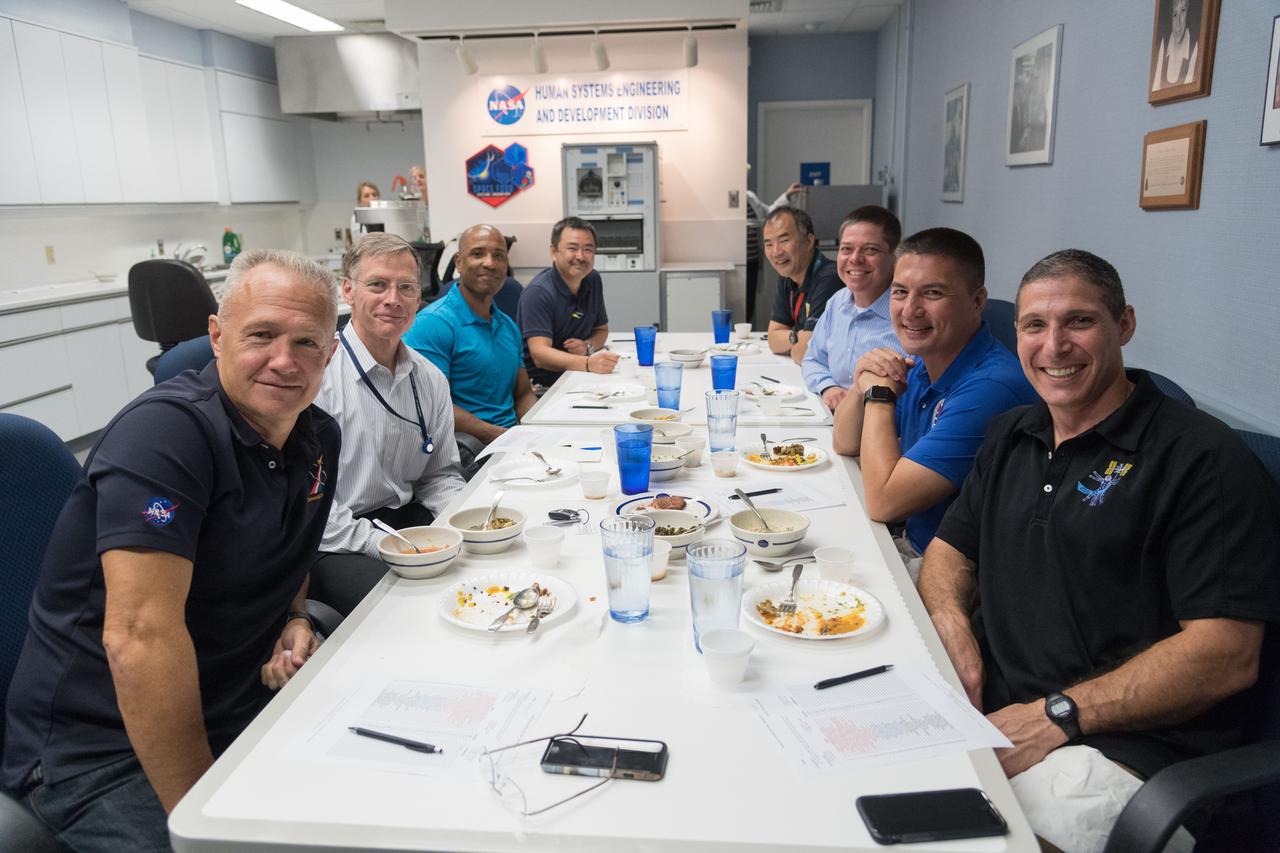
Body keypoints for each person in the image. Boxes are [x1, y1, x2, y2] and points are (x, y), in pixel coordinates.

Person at [918, 249, 1280, 852]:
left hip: (1124, 749)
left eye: (1079, 322)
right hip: (997, 710)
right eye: (1035, 325)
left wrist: (1056, 716)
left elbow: (1226, 654)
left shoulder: (1201, 462)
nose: (1054, 346)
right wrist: (952, 625)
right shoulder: (1012, 433)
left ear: (1125, 325)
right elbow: (952, 549)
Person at [2, 250, 342, 852]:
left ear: (331, 352)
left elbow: (291, 540)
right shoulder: (165, 435)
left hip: (235, 703)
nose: (284, 361)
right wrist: (204, 826)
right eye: (261, 334)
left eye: (307, 342)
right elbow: (138, 638)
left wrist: (292, 616)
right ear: (216, 335)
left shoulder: (315, 435)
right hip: (105, 750)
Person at [831, 228, 1035, 573]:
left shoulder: (991, 387)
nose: (910, 310)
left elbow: (885, 502)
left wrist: (878, 396)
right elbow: (844, 441)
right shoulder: (926, 363)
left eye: (933, 293)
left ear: (977, 301)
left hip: (949, 574)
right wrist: (860, 381)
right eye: (900, 292)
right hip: (907, 542)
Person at [311, 234, 466, 616]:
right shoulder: (316, 378)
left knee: (477, 576)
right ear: (347, 290)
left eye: (406, 288)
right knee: (415, 610)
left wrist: (467, 522)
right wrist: (387, 544)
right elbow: (311, 509)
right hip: (337, 540)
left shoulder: (429, 379)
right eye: (378, 285)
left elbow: (439, 475)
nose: (393, 299)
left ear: (419, 298)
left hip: (407, 521)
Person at [405, 224, 536, 444]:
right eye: (478, 254)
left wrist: (534, 428)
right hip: (467, 449)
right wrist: (499, 436)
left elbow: (523, 394)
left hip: (511, 442)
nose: (490, 263)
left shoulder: (508, 326)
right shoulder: (432, 324)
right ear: (459, 262)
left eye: (499, 256)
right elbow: (432, 406)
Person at [801, 206, 904, 411]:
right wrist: (828, 387)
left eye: (870, 250)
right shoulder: (837, 302)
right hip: (832, 421)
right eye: (846, 249)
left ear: (895, 256)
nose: (855, 258)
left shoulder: (907, 315)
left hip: (884, 431)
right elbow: (812, 359)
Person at [516, 216, 619, 387]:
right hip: (543, 386)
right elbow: (540, 354)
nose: (581, 256)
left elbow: (601, 330)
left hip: (578, 375)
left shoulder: (592, 279)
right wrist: (587, 363)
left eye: (588, 249)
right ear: (554, 252)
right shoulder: (538, 292)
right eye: (572, 248)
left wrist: (587, 347)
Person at [763, 205, 842, 364]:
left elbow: (806, 352)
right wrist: (798, 336)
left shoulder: (829, 278)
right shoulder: (788, 275)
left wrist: (795, 341)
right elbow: (773, 339)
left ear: (809, 241)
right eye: (769, 244)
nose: (776, 252)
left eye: (784, 240)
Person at [1151, 0, 1197, 91]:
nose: (1178, 23)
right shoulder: (1162, 46)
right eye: (1175, 14)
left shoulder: (1195, 48)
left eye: (1183, 11)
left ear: (1188, 12)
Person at [348, 181, 381, 246]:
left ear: (379, 197)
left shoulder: (386, 215)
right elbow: (359, 244)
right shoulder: (356, 218)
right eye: (366, 196)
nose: (372, 198)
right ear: (359, 201)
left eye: (374, 195)